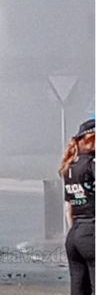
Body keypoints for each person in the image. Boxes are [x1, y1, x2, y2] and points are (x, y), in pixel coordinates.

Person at [60, 118, 95, 295]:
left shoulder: (69, 166)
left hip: (74, 237)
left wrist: (77, 232)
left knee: (78, 289)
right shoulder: (92, 165)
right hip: (91, 231)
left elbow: (69, 209)